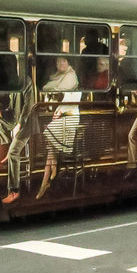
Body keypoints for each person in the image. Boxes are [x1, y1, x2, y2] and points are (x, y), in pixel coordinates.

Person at [35, 58, 81, 199]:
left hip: (71, 117)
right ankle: (46, 180)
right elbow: (46, 87)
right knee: (51, 149)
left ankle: (45, 182)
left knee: (49, 131)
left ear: (69, 63)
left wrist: (61, 113)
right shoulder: (58, 76)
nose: (60, 64)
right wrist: (59, 112)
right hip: (64, 115)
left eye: (64, 62)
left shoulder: (72, 77)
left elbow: (71, 106)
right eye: (58, 62)